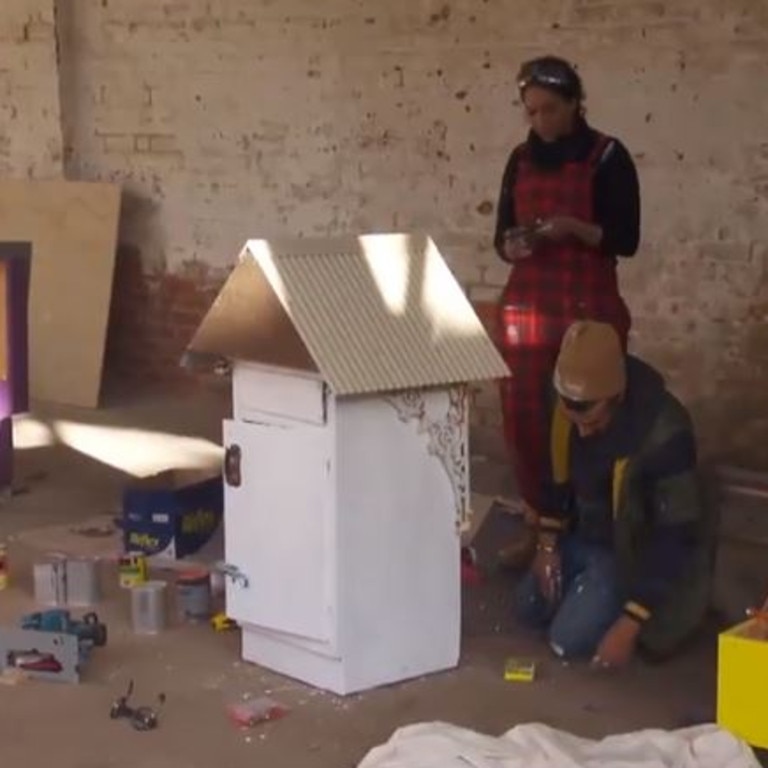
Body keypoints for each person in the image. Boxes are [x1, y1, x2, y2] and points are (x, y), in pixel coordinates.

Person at [493, 55, 641, 567]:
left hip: (587, 307)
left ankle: (593, 537)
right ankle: (539, 529)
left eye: (549, 110)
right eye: (530, 112)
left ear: (576, 104)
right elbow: (500, 238)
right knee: (526, 419)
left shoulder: (607, 157)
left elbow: (627, 239)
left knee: (587, 418)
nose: (540, 122)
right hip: (529, 305)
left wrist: (574, 228)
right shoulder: (520, 159)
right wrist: (516, 243)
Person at [515, 320, 716, 667]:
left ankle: (606, 602)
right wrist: (547, 546)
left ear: (617, 397)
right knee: (527, 609)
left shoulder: (666, 432)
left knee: (566, 640)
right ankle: (586, 591)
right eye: (573, 419)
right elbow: (555, 478)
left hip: (633, 554)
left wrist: (630, 622)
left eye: (593, 422)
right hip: (585, 538)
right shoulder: (566, 403)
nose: (583, 431)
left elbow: (676, 535)